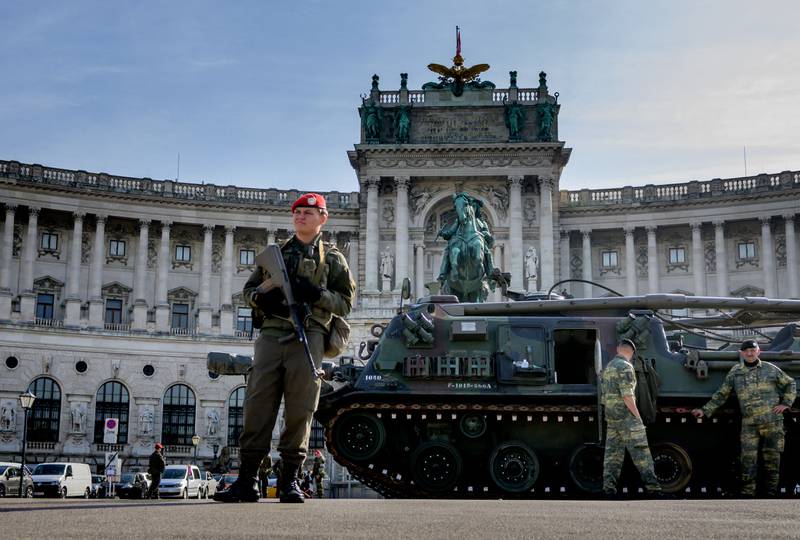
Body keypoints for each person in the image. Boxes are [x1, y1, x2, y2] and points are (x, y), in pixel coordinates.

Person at [215, 193, 355, 504]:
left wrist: (316, 294)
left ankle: (289, 480)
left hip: (310, 335)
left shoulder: (333, 259)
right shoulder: (275, 253)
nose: (301, 217)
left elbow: (345, 303)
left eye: (308, 212)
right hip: (271, 333)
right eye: (297, 212)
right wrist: (262, 299)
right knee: (257, 404)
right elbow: (249, 290)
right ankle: (247, 480)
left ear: (323, 218)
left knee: (301, 408)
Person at [692, 339, 796, 497]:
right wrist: (704, 410)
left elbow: (790, 383)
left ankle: (771, 495)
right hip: (750, 424)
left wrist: (786, 403)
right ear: (742, 353)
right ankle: (748, 494)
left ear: (758, 351)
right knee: (748, 460)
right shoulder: (736, 372)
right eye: (746, 351)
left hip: (772, 422)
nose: (750, 353)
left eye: (753, 350)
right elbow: (722, 394)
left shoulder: (770, 369)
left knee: (772, 460)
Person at [600, 339, 663, 497]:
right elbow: (628, 396)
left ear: (618, 349)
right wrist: (637, 417)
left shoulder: (608, 367)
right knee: (642, 453)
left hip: (612, 417)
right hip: (627, 417)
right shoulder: (626, 367)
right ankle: (653, 488)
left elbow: (604, 396)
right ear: (632, 352)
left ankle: (609, 489)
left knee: (612, 455)